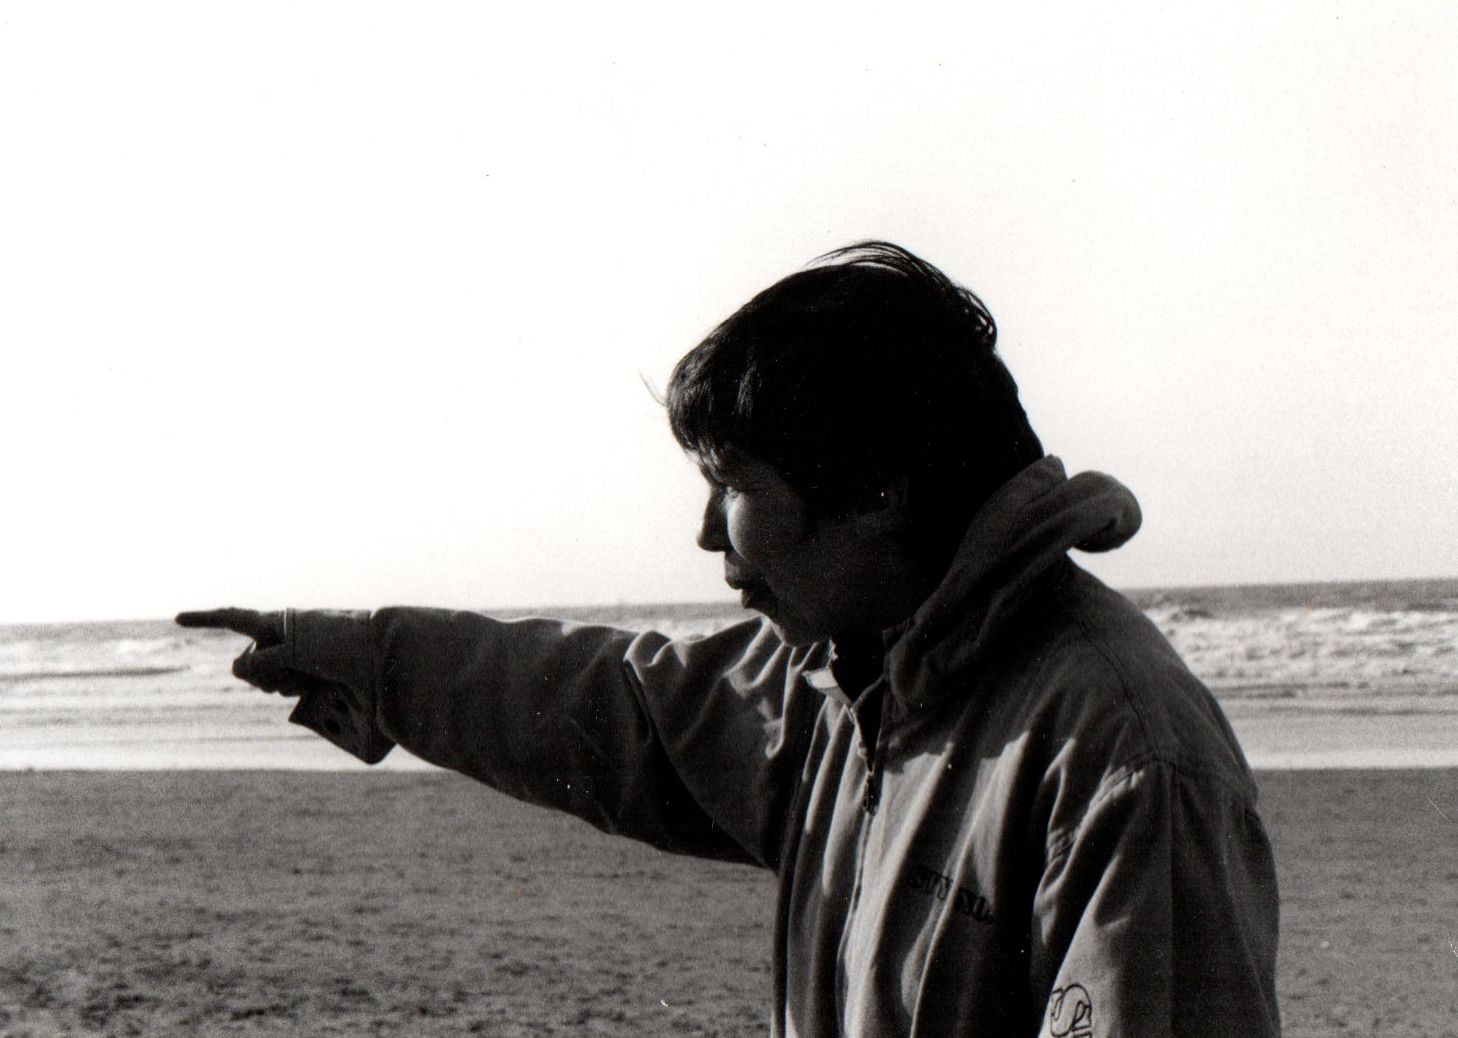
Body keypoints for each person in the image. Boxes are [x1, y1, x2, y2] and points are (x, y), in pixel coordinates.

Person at [179, 242, 1281, 1036]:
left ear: (879, 492)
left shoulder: (1125, 760)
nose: (707, 531)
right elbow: (607, 702)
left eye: (734, 484)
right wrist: (370, 661)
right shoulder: (849, 686)